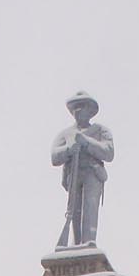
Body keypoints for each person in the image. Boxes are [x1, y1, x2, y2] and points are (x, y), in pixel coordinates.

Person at [52, 91, 114, 247]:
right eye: (76, 107)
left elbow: (108, 152)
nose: (79, 110)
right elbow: (55, 157)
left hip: (93, 173)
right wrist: (68, 149)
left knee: (90, 208)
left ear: (90, 110)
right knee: (74, 212)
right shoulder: (66, 134)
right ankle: (77, 243)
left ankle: (88, 242)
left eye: (83, 106)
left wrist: (86, 142)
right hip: (73, 176)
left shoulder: (100, 131)